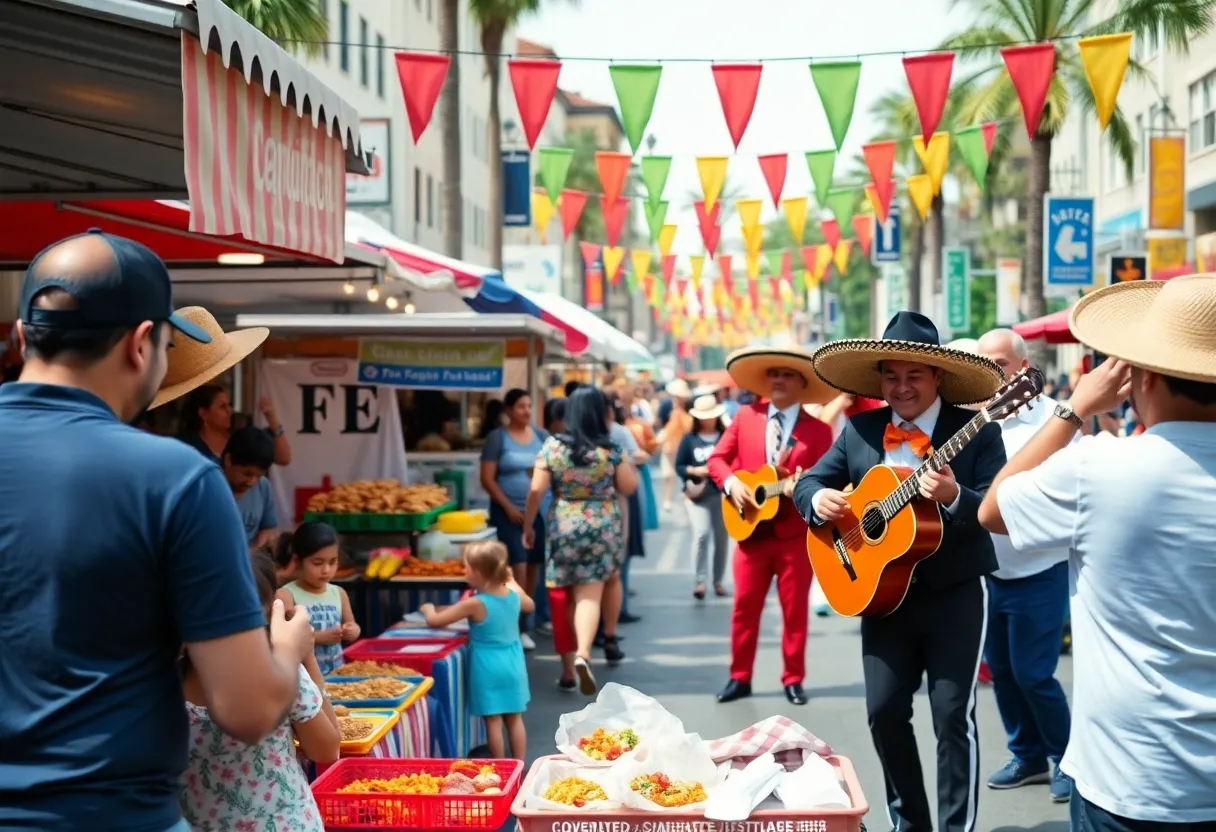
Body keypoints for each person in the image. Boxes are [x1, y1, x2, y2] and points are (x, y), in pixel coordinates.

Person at [0, 232, 310, 832]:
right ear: (143, 344)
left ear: (22, 336)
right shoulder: (175, 480)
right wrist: (287, 650)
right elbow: (247, 709)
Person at [978, 275, 1216, 831]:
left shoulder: (1097, 470)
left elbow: (994, 508)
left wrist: (1071, 411)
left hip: (1128, 778)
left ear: (1143, 376)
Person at [793, 311, 1006, 832]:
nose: (902, 387)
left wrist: (956, 496)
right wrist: (817, 497)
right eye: (891, 375)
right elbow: (808, 483)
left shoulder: (976, 432)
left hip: (954, 593)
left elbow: (1000, 508)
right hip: (882, 597)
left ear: (938, 377)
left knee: (953, 717)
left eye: (914, 375)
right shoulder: (860, 430)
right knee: (884, 712)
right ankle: (910, 823)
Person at [975, 328, 1074, 803]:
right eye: (983, 363)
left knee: (1035, 673)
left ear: (1022, 366)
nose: (992, 373)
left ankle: (1067, 759)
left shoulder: (1055, 418)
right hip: (990, 572)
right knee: (1003, 671)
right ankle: (1028, 755)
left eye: (998, 362)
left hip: (1042, 566)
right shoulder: (973, 420)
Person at [708, 346, 835, 706]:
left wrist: (807, 490)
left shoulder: (819, 431)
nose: (779, 380)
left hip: (795, 534)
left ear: (802, 383)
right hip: (750, 532)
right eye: (774, 374)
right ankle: (739, 677)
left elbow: (829, 478)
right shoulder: (745, 416)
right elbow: (718, 459)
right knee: (743, 608)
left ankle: (793, 678)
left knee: (794, 611)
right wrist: (733, 485)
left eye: (787, 374)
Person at [180, 552, 339, 831]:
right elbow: (327, 749)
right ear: (267, 611)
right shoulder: (278, 669)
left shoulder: (153, 682)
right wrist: (306, 657)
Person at [522, 386, 638, 695]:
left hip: (564, 523)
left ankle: (568, 665)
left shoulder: (552, 447)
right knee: (590, 594)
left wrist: (528, 525)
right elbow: (628, 487)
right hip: (602, 525)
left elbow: (535, 491)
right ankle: (584, 654)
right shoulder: (611, 449)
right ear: (601, 413)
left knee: (565, 597)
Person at [421, 541, 533, 759]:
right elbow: (530, 605)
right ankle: (520, 765)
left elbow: (436, 621)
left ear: (479, 572)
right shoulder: (512, 595)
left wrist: (428, 609)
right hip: (513, 663)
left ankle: (502, 766)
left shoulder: (474, 603)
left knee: (492, 720)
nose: (464, 571)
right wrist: (512, 582)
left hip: (487, 665)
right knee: (514, 718)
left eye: (466, 567)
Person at [479, 388, 549, 650]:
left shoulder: (541, 437)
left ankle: (526, 621)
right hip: (507, 513)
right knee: (517, 566)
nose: (526, 411)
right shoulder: (498, 438)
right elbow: (487, 478)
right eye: (521, 406)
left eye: (529, 406)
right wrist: (508, 507)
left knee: (533, 567)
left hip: (535, 513)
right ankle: (515, 626)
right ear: (508, 410)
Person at [275, 522, 360, 675]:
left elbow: (351, 624)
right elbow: (284, 640)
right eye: (317, 563)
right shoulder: (286, 595)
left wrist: (352, 631)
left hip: (337, 674)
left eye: (332, 562)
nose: (326, 570)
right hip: (304, 680)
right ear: (298, 561)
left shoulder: (338, 593)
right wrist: (320, 637)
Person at [676, 394, 731, 600]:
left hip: (723, 495)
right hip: (698, 495)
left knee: (721, 539)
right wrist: (696, 470)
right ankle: (700, 580)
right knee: (701, 534)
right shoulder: (689, 439)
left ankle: (717, 581)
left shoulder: (725, 436)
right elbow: (679, 466)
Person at [606, 391, 647, 624]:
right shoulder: (619, 432)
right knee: (622, 555)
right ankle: (618, 610)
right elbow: (637, 457)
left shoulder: (569, 438)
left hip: (578, 511)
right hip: (619, 499)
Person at [177, 384, 292, 466]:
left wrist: (272, 419)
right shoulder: (185, 446)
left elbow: (284, 458)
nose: (230, 411)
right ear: (203, 413)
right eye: (223, 407)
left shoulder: (241, 439)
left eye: (229, 405)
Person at [222, 426, 281, 548]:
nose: (251, 482)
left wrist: (258, 549)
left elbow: (269, 529)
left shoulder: (263, 486)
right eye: (247, 474)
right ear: (228, 460)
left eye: (258, 475)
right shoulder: (207, 488)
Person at [658, 379, 693, 511]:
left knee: (674, 475)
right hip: (672, 447)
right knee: (671, 476)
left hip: (677, 448)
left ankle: (677, 498)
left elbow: (670, 430)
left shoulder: (681, 414)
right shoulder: (678, 413)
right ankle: (670, 499)